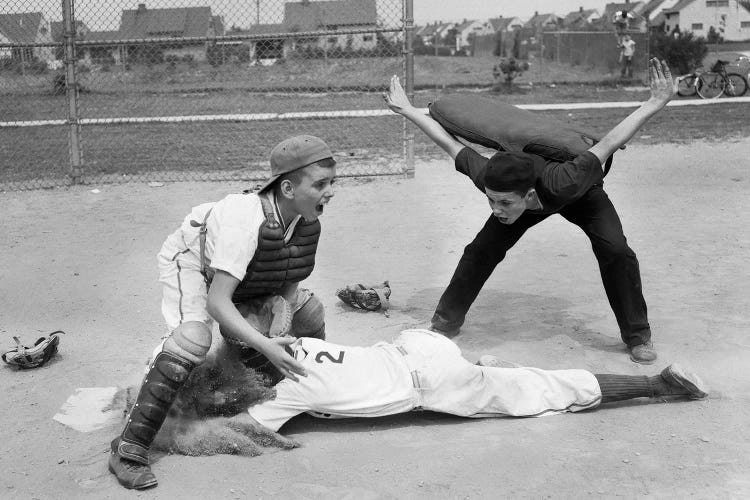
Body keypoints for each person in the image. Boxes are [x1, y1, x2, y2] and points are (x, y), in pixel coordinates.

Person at [383, 58, 679, 365]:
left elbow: (610, 142)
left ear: (528, 195)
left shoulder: (565, 180)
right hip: (526, 197)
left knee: (616, 250)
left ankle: (638, 335)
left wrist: (655, 102)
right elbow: (447, 141)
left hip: (582, 197)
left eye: (504, 203)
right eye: (491, 201)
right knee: (480, 250)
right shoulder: (490, 178)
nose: (497, 210)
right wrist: (407, 109)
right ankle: (444, 324)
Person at [108, 135, 337, 490]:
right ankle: (129, 447)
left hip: (238, 271)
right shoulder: (243, 224)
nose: (329, 191)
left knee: (308, 313)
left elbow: (288, 283)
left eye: (331, 183)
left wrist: (279, 327)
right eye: (320, 184)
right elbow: (218, 302)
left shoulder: (305, 222)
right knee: (193, 340)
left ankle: (285, 393)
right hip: (193, 263)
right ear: (288, 188)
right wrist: (265, 344)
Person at [231, 328, 707, 435]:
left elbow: (246, 429)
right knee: (488, 376)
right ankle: (490, 371)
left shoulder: (289, 390)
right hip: (417, 343)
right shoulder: (299, 342)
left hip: (433, 381)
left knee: (545, 391)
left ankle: (658, 385)